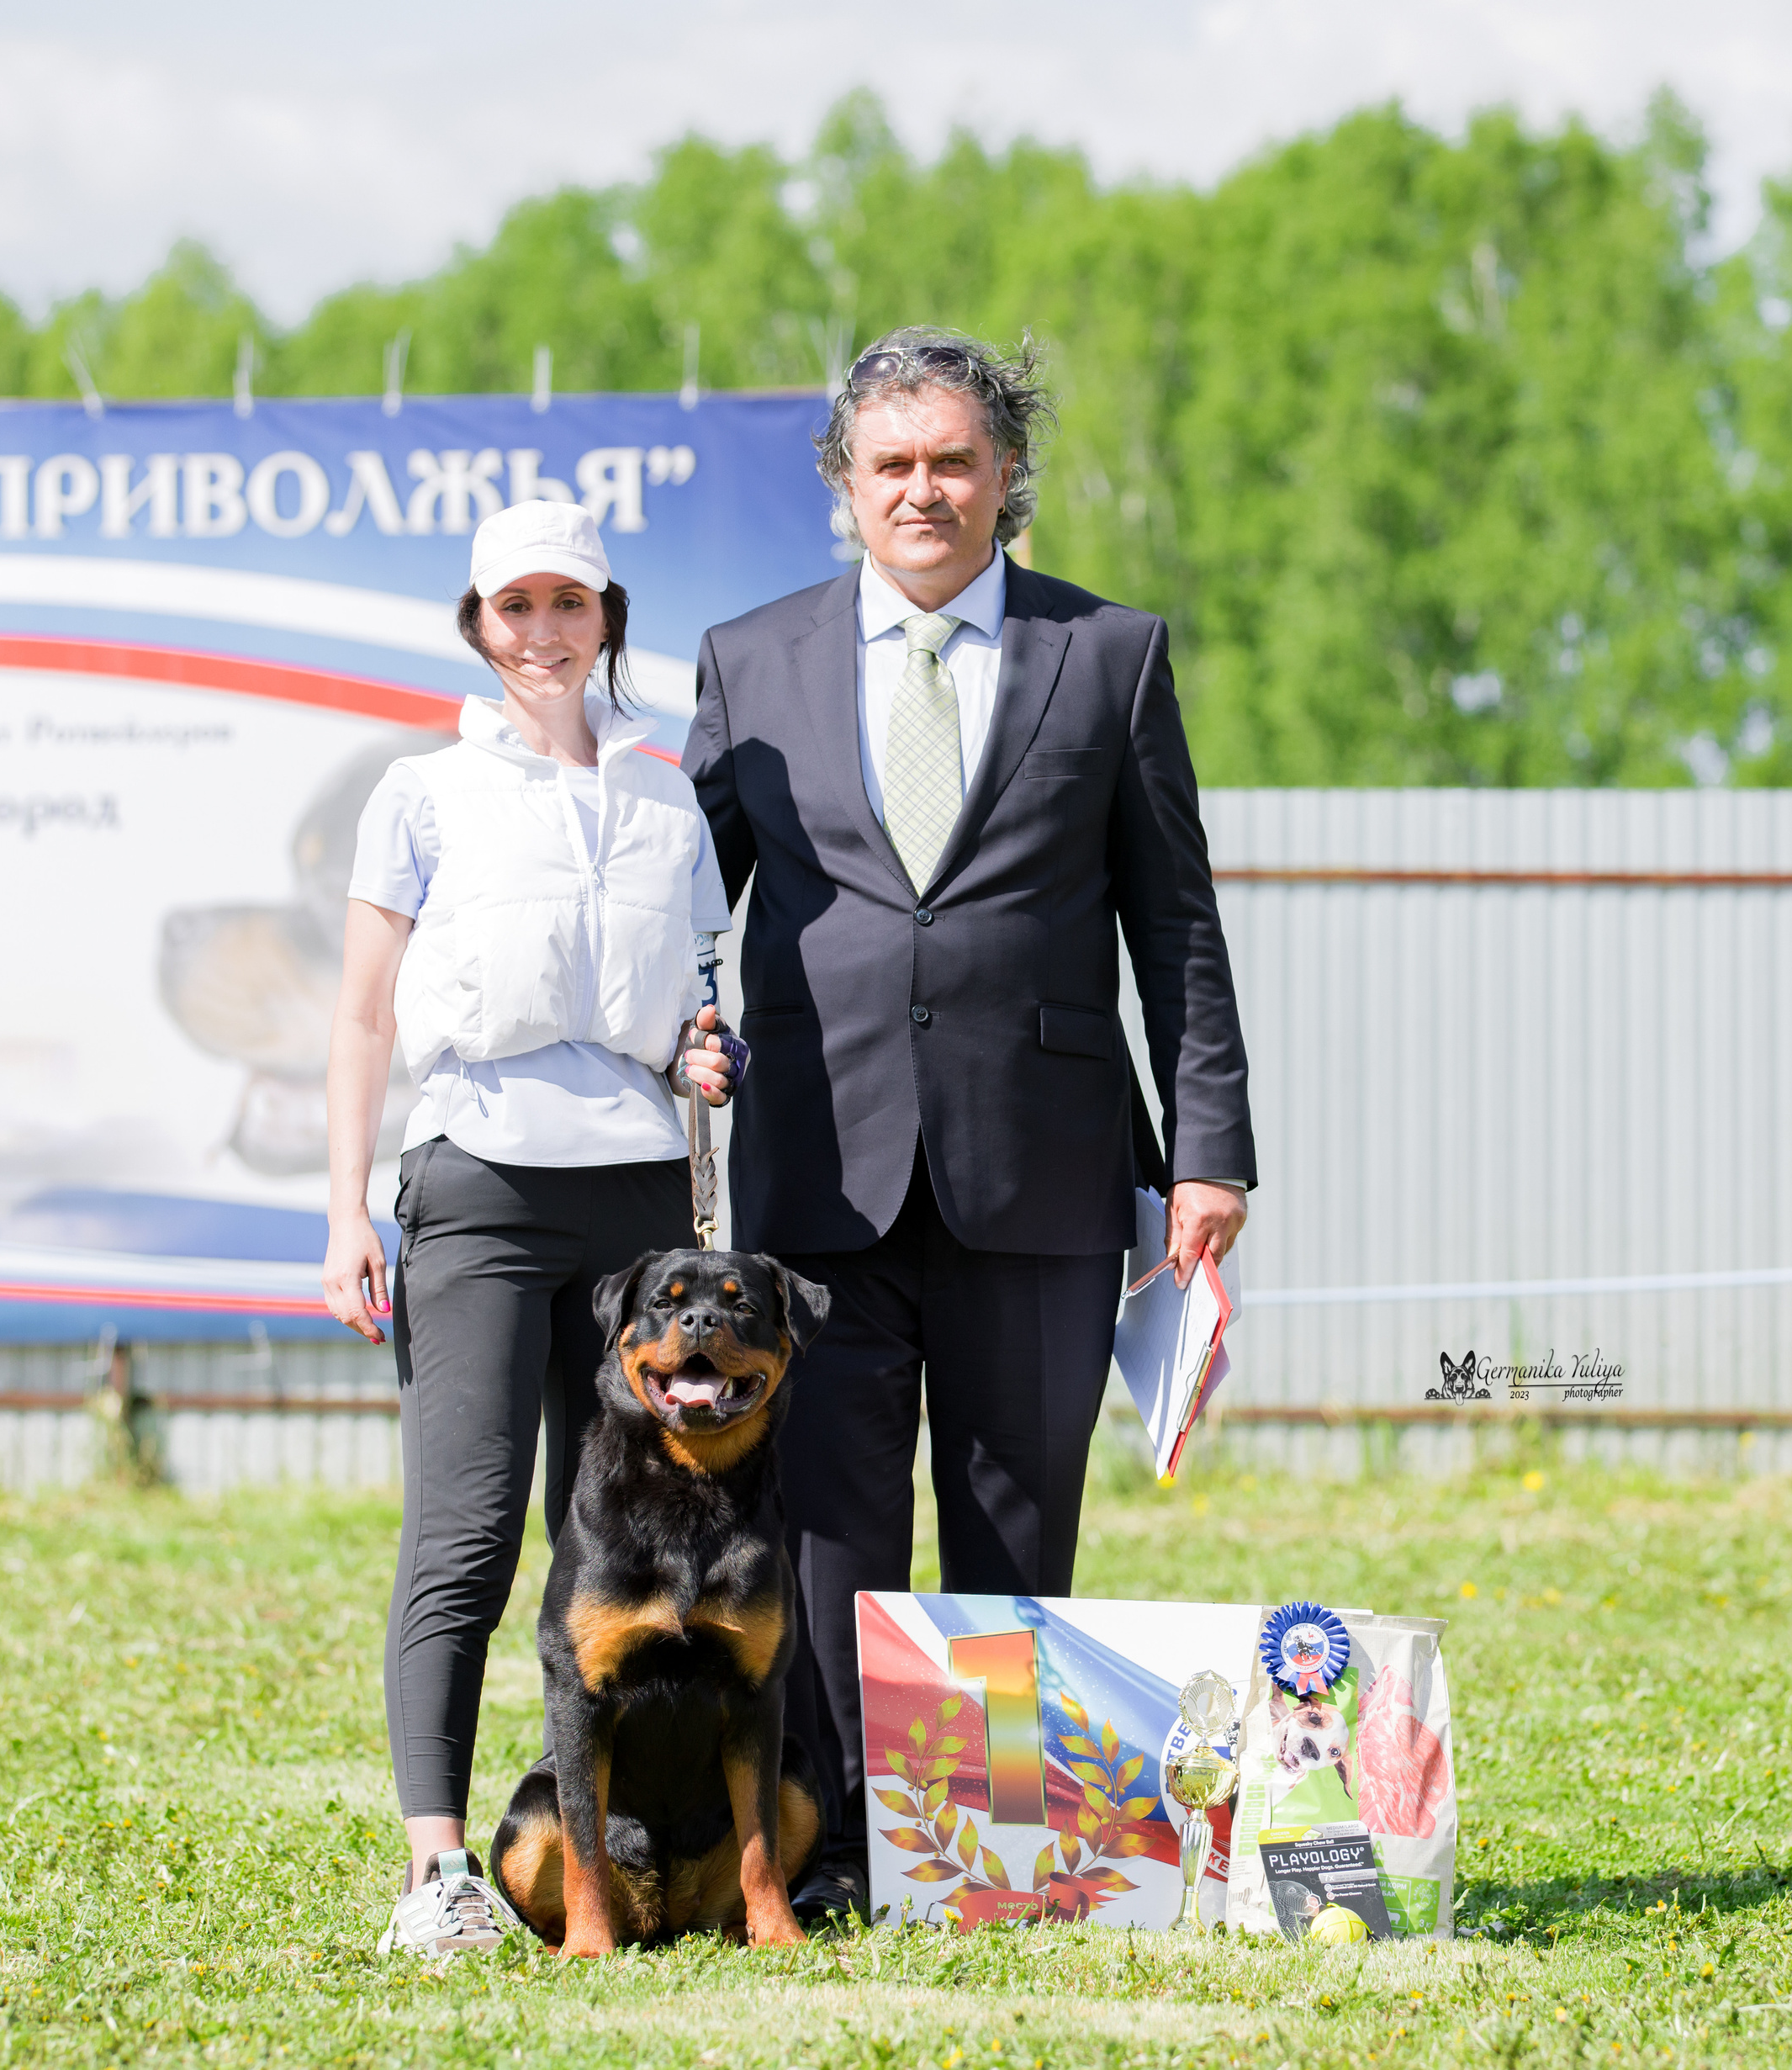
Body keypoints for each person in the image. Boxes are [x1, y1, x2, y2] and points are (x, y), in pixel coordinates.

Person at [682, 326, 1257, 1919]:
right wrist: (665, 1031)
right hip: (819, 1186)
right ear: (843, 487)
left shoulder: (1112, 656)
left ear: (1007, 478)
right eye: (892, 464)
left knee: (1015, 1525)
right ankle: (857, 1848)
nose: (923, 490)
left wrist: (1207, 1144)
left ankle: (996, 1848)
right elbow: (676, 899)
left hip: (1048, 1169)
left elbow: (1177, 923)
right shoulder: (753, 659)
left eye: (953, 460)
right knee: (828, 1542)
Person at [322, 500, 747, 1958]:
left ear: (607, 620)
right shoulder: (421, 793)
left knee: (623, 1542)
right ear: (478, 625)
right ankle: (440, 1873)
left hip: (637, 1200)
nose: (544, 632)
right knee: (466, 1531)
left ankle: (630, 1855)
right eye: (516, 609)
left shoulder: (666, 805)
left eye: (570, 605)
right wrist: (341, 1212)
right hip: (479, 1194)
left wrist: (704, 1056)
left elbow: (689, 1013)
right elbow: (365, 1017)